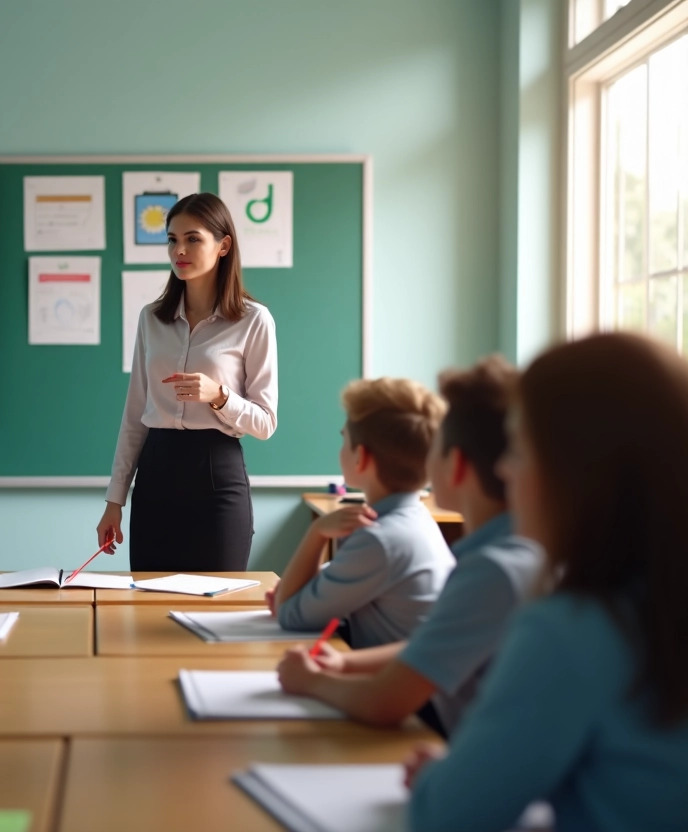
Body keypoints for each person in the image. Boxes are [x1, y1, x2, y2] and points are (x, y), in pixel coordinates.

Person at [407, 333, 688, 832]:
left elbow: (448, 816)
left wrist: (440, 777)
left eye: (518, 447)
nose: (504, 468)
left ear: (577, 471)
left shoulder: (571, 629)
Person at [277, 356, 541, 737]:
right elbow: (434, 643)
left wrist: (312, 681)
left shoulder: (493, 570)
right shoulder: (502, 554)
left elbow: (385, 700)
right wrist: (345, 665)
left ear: (456, 465)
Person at [98, 192, 278, 571]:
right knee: (149, 612)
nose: (179, 249)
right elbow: (134, 416)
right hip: (156, 475)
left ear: (223, 245)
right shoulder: (152, 319)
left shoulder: (254, 320)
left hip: (217, 476)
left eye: (193, 238)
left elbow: (265, 424)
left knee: (217, 608)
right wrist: (114, 501)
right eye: (172, 240)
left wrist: (219, 396)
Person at [268, 377, 454, 649]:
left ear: (361, 457)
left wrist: (316, 532)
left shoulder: (379, 538)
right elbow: (315, 589)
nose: (341, 448)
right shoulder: (415, 518)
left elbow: (289, 614)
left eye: (345, 439)